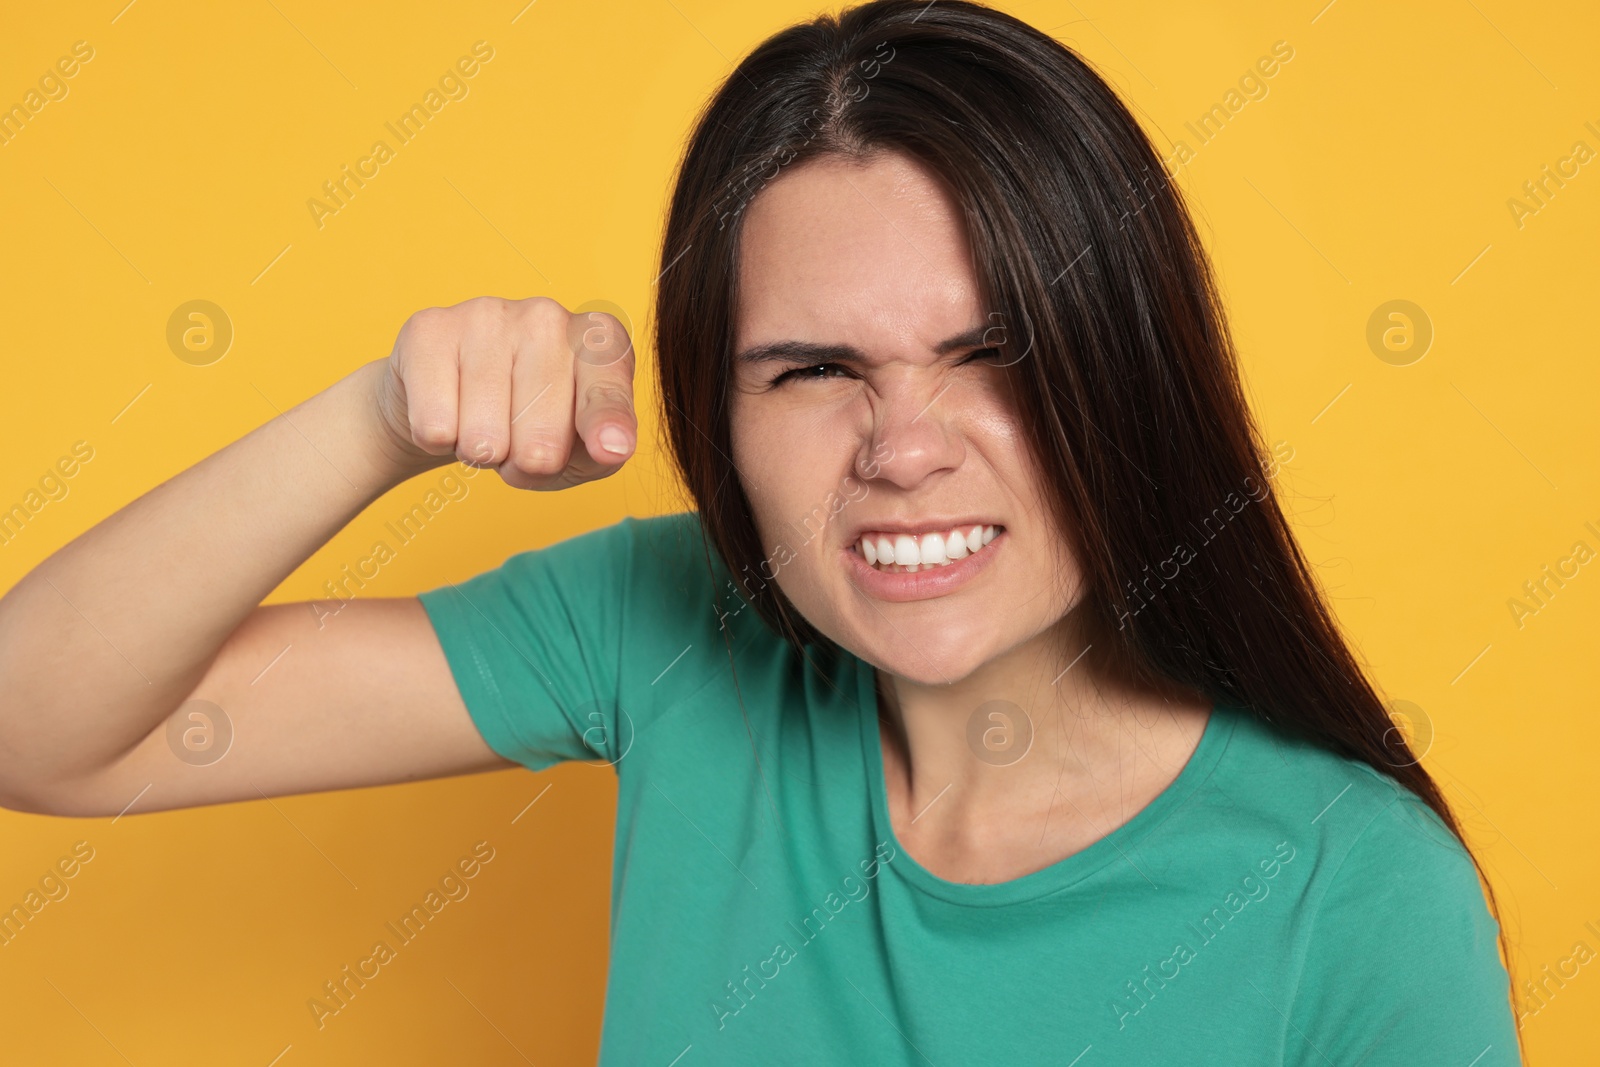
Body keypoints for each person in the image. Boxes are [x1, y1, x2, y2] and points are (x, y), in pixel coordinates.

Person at [0, 1, 1521, 1063]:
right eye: (815, 372)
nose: (905, 449)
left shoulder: (1354, 896)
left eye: (995, 357)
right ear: (718, 420)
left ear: (1130, 369)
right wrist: (379, 420)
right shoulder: (673, 623)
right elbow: (39, 725)